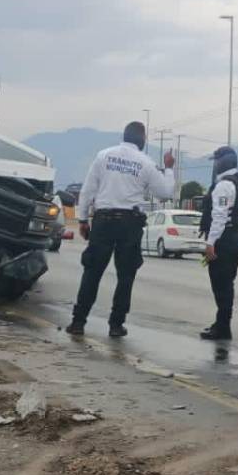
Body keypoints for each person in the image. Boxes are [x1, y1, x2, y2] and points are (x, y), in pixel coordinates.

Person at [66, 121, 175, 337]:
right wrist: (169, 168)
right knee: (126, 276)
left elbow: (87, 190)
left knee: (92, 272)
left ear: (124, 136)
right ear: (142, 139)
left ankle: (78, 322)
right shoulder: (146, 162)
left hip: (103, 221)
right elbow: (165, 193)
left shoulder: (104, 156)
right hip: (129, 224)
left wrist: (83, 220)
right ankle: (116, 325)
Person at [198, 146, 238, 341]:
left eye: (216, 161)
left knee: (221, 286)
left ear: (224, 161)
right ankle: (221, 323)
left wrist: (211, 243)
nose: (215, 165)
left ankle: (223, 327)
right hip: (234, 238)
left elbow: (219, 216)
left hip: (223, 240)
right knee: (226, 285)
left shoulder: (224, 185)